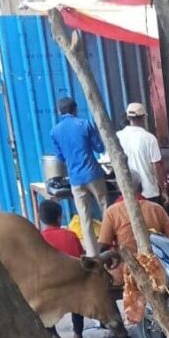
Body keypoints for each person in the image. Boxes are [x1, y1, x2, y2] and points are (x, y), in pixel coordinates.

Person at [50, 97, 107, 257]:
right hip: (93, 174)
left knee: (85, 218)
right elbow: (99, 148)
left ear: (60, 112)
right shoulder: (85, 124)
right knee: (106, 209)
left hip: (75, 179)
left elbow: (60, 157)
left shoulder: (54, 131)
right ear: (75, 109)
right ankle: (110, 245)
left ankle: (92, 254)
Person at [38, 199, 86, 338]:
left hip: (50, 289)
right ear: (60, 217)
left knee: (42, 310)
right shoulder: (71, 235)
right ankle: (78, 337)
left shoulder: (38, 239)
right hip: (73, 287)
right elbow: (81, 257)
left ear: (41, 218)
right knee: (77, 306)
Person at [98, 172, 169, 256]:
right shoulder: (156, 208)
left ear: (119, 188)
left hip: (126, 262)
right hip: (155, 261)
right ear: (141, 187)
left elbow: (103, 244)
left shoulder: (112, 212)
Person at [116, 102, 168, 206]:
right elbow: (156, 166)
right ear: (144, 117)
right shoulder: (149, 138)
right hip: (149, 191)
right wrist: (163, 190)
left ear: (128, 117)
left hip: (127, 192)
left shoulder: (117, 136)